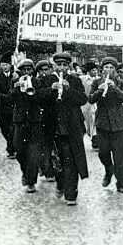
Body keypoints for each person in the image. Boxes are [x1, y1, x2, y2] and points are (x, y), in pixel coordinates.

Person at [39, 51, 88, 206]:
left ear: (68, 66)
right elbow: (38, 98)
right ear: (54, 65)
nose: (61, 68)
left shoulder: (74, 80)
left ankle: (71, 194)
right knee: (56, 162)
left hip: (71, 127)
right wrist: (51, 90)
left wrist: (68, 90)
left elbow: (82, 99)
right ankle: (60, 184)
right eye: (58, 65)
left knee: (71, 161)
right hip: (53, 127)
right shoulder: (47, 79)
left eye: (64, 65)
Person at [89, 57, 123, 193]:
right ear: (102, 69)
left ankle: (122, 184)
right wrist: (100, 90)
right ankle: (108, 170)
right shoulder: (96, 82)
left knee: (119, 156)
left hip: (118, 124)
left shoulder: (120, 81)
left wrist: (115, 88)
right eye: (106, 67)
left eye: (111, 68)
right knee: (103, 153)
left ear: (115, 70)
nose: (108, 70)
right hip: (103, 124)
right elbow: (90, 99)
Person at [11, 58, 43, 192]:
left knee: (33, 152)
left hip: (34, 121)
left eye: (29, 69)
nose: (27, 72)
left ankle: (31, 181)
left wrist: (32, 90)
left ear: (33, 71)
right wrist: (16, 88)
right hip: (20, 121)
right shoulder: (15, 83)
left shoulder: (37, 82)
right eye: (24, 70)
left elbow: (41, 99)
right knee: (19, 151)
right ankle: (25, 172)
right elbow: (10, 99)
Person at [34, 59, 56, 181]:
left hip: (54, 115)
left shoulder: (55, 79)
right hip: (42, 117)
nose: (44, 72)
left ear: (50, 69)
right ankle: (48, 171)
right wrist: (50, 90)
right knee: (45, 145)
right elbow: (37, 95)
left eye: (46, 69)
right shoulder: (37, 82)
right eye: (41, 70)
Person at [0, 53, 16, 158]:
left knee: (12, 129)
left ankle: (11, 149)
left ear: (10, 65)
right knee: (4, 129)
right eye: (2, 65)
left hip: (13, 107)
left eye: (6, 65)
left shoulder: (15, 76)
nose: (4, 67)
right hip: (2, 107)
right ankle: (11, 145)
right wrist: (5, 97)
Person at [79, 62, 98, 149]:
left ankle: (95, 140)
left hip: (95, 103)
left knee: (94, 121)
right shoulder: (82, 79)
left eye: (96, 70)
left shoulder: (98, 79)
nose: (95, 72)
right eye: (93, 70)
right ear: (89, 71)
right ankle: (89, 136)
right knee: (86, 122)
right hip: (85, 104)